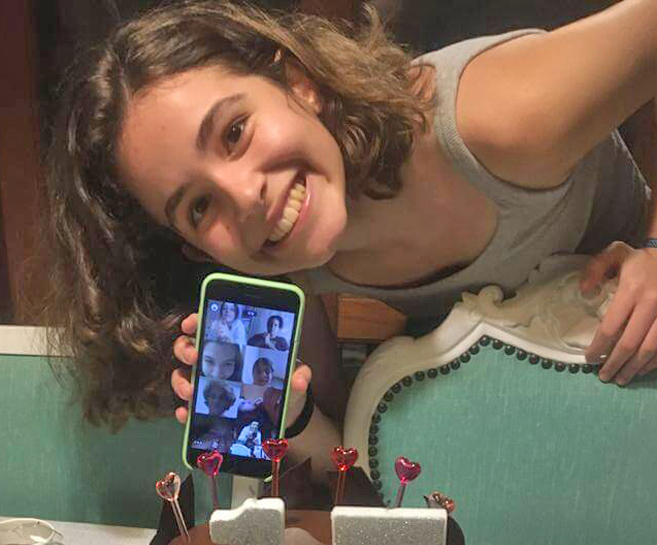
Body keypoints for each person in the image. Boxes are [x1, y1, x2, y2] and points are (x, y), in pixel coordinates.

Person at [45, 0, 657, 475]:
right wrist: (287, 415)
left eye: (234, 132)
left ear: (299, 83)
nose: (246, 197)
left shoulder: (503, 117)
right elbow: (347, 465)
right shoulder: (277, 269)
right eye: (199, 206)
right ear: (195, 248)